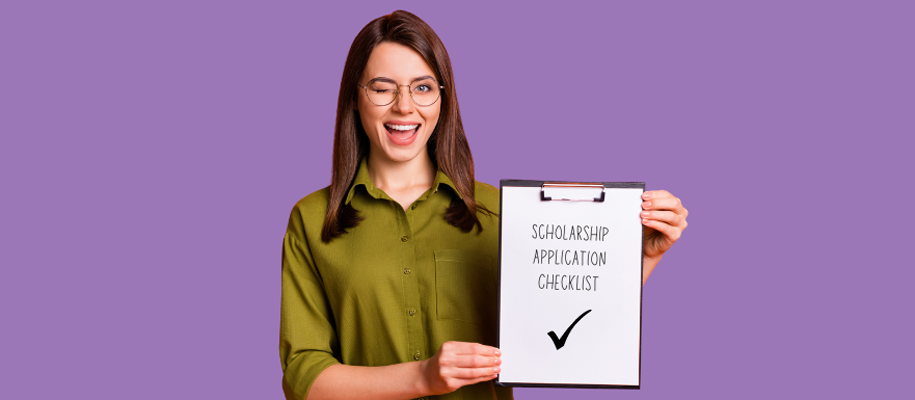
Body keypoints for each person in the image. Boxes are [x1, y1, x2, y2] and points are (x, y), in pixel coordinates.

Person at [280, 10, 689, 400]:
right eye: (383, 88)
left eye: (422, 87)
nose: (404, 107)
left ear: (443, 99)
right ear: (355, 97)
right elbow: (304, 378)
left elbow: (558, 340)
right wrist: (422, 376)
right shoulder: (313, 220)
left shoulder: (501, 212)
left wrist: (642, 259)